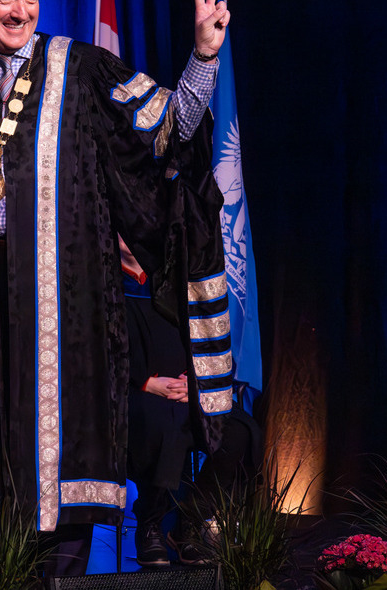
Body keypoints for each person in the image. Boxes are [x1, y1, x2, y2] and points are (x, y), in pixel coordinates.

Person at [0, 0, 237, 575]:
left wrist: (204, 56)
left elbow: (168, 129)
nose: (20, 11)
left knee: (65, 483)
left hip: (69, 318)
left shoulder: (82, 68)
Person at [121, 242, 260, 567]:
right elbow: (98, 346)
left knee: (238, 430)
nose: (127, 238)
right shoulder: (103, 279)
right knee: (169, 423)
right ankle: (150, 523)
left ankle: (190, 522)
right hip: (134, 391)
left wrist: (195, 383)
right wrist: (144, 381)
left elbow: (204, 335)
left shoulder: (173, 278)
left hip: (188, 388)